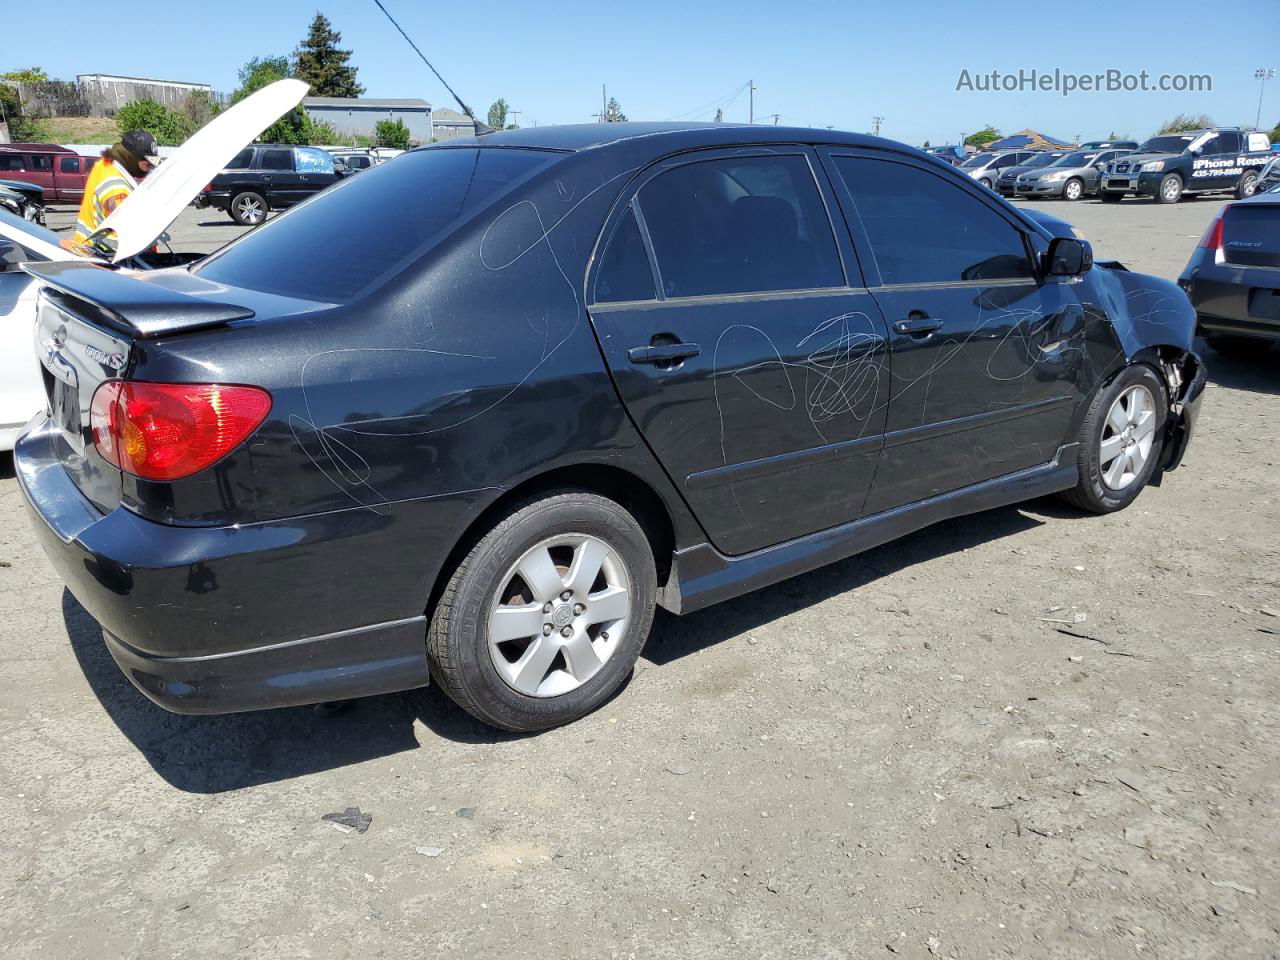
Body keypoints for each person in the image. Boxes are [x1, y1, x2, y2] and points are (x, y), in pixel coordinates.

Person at [68, 129, 156, 253]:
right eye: (147, 165)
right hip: (107, 258)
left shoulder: (105, 165)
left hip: (87, 248)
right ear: (131, 159)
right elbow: (129, 234)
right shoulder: (117, 190)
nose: (149, 169)